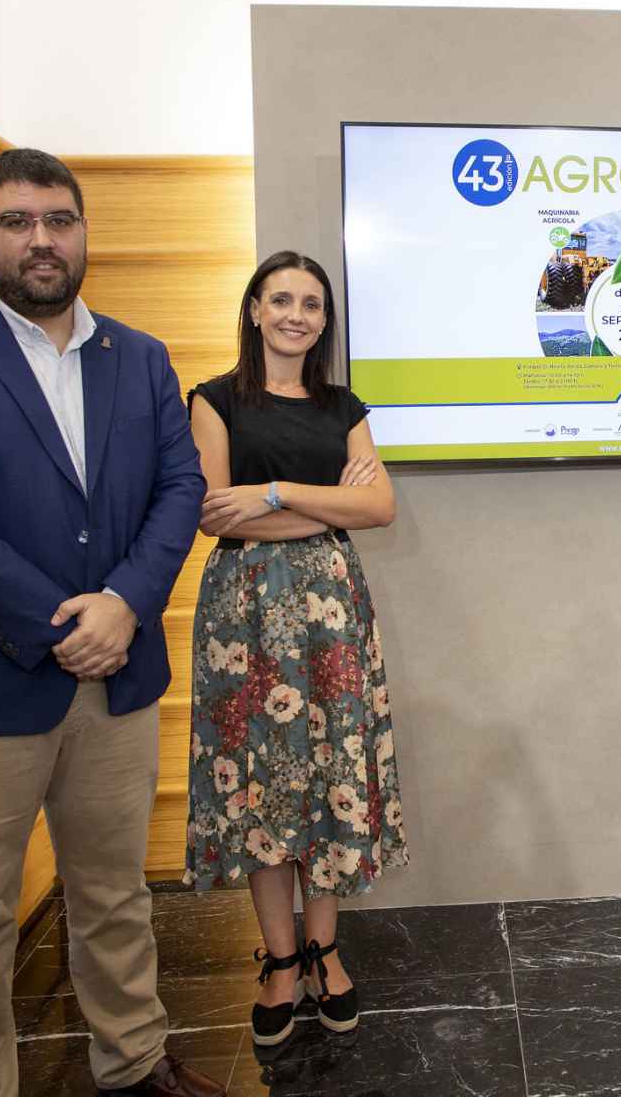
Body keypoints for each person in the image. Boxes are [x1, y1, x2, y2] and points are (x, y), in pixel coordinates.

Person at [0, 149, 217, 1096]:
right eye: (17, 222)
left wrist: (128, 603)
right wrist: (62, 623)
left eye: (59, 219)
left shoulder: (137, 356)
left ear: (83, 231)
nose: (42, 240)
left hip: (116, 679)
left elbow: (180, 487)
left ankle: (134, 1064)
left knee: (114, 893)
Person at [183, 250, 407, 1046]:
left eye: (311, 304)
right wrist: (329, 507)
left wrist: (276, 494)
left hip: (332, 613)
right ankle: (281, 962)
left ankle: (325, 951)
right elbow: (217, 515)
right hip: (243, 617)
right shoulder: (214, 400)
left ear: (324, 321)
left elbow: (378, 506)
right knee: (262, 783)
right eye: (280, 299)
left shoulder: (343, 404)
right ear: (253, 310)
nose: (295, 315)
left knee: (330, 771)